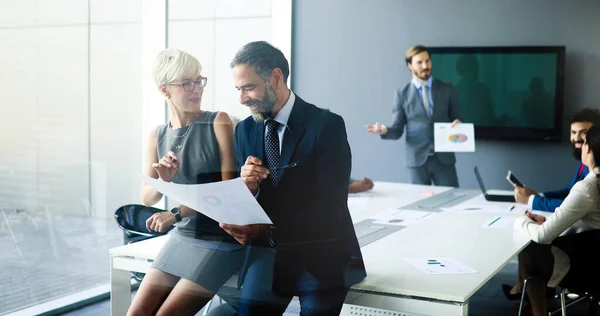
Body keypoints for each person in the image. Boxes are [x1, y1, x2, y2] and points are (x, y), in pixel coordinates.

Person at [219, 41, 366, 315]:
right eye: (238, 89)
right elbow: (250, 203)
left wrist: (266, 230)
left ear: (275, 77)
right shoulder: (245, 130)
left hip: (320, 254)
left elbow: (329, 208)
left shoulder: (327, 126)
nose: (242, 99)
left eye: (249, 87)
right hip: (268, 255)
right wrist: (245, 189)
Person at [128, 48, 244, 316]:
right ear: (164, 89)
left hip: (221, 237)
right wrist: (162, 180)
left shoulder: (219, 122)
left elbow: (228, 193)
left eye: (199, 80)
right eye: (186, 83)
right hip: (184, 235)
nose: (197, 89)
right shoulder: (156, 135)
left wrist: (176, 212)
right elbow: (147, 198)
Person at [511, 124, 600, 316]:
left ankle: (538, 311)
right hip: (594, 258)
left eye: (583, 141)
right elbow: (592, 222)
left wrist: (520, 221)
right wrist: (547, 220)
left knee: (530, 246)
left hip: (584, 266)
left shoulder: (588, 187)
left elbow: (542, 236)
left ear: (590, 149)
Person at [366, 45, 462, 187]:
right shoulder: (402, 94)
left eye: (428, 61)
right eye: (419, 62)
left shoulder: (446, 89)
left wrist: (459, 124)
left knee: (452, 200)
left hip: (444, 159)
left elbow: (458, 118)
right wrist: (384, 130)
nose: (425, 66)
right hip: (416, 160)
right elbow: (397, 130)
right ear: (410, 65)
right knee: (420, 204)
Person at [513, 108, 600, 211]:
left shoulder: (595, 167)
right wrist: (539, 195)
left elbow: (573, 203)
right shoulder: (584, 160)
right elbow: (570, 191)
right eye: (573, 132)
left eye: (583, 132)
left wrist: (530, 200)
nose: (576, 138)